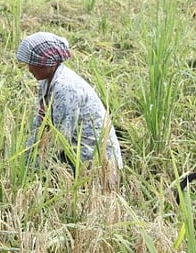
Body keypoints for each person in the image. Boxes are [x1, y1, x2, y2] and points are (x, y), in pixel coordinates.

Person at [15, 31, 123, 179]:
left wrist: (33, 169)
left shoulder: (66, 89)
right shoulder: (46, 82)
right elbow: (41, 122)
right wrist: (25, 158)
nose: (29, 69)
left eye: (33, 64)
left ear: (47, 62)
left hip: (95, 161)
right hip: (72, 153)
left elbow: (60, 139)